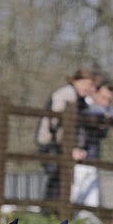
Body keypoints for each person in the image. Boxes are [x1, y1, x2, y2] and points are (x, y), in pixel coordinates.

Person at [36, 67, 96, 201]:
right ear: (76, 81)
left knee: (61, 178)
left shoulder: (80, 99)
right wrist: (69, 148)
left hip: (61, 145)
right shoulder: (66, 94)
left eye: (90, 85)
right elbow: (55, 122)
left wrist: (76, 147)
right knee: (56, 176)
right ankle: (50, 210)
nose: (88, 88)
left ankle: (53, 210)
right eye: (86, 84)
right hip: (51, 143)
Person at [71, 80, 113, 210]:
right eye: (103, 98)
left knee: (91, 203)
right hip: (78, 159)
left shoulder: (103, 112)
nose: (106, 103)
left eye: (109, 100)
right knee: (74, 197)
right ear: (94, 92)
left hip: (93, 159)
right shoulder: (83, 106)